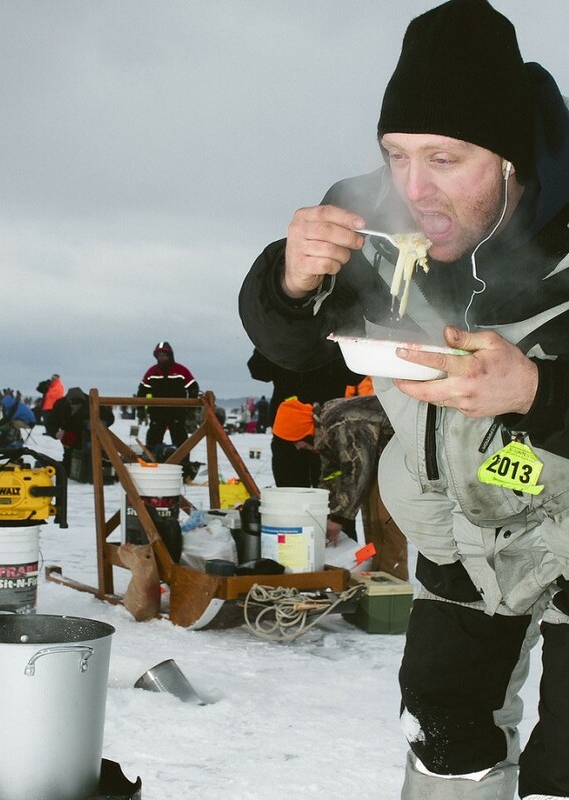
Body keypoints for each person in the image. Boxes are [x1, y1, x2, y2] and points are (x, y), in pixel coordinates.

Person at [238, 1, 569, 797]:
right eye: (397, 155)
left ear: (512, 160)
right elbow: (294, 364)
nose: (415, 190)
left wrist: (535, 388)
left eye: (446, 160)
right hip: (460, 538)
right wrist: (290, 282)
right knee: (442, 730)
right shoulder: (387, 240)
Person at [272, 394, 408, 580]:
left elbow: (357, 471)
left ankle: (393, 588)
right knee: (372, 523)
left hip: (395, 462)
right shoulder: (326, 425)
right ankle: (376, 580)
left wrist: (338, 517)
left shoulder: (341, 425)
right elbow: (332, 473)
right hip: (380, 464)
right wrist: (324, 510)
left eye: (295, 441)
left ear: (302, 431)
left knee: (384, 525)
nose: (297, 447)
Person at [247, 348, 363, 487]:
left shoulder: (282, 336)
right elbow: (258, 370)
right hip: (301, 431)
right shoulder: (282, 335)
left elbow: (258, 370)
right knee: (308, 498)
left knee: (317, 498)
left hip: (321, 431)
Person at [136, 341, 200, 473]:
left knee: (181, 441)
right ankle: (151, 465)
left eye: (164, 355)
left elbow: (193, 388)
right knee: (153, 440)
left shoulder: (181, 371)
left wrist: (191, 409)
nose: (162, 358)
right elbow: (141, 391)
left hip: (177, 412)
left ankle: (184, 467)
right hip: (157, 413)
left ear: (170, 355)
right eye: (159, 355)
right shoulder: (152, 372)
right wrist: (140, 409)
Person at [45, 387, 114, 475]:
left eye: (78, 405)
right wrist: (55, 433)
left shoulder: (93, 403)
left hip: (89, 436)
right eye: (73, 405)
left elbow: (110, 417)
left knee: (92, 461)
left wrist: (99, 425)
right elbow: (51, 422)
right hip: (69, 436)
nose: (75, 407)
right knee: (68, 467)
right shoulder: (60, 405)